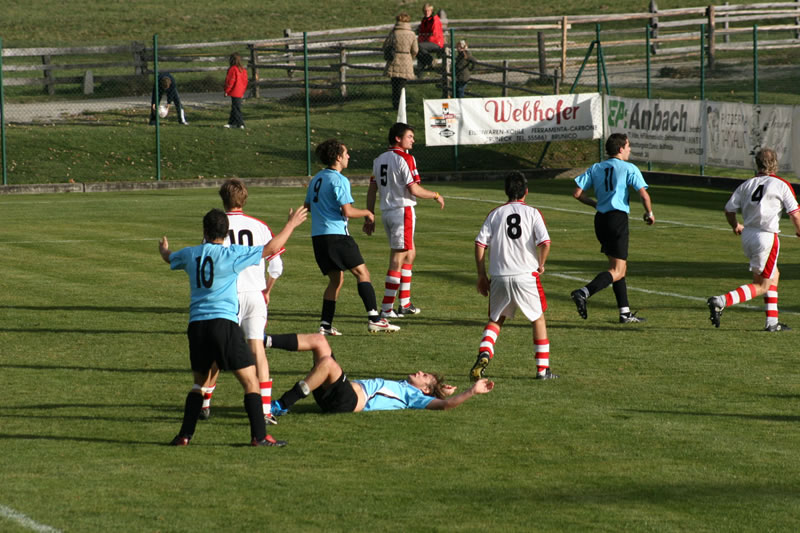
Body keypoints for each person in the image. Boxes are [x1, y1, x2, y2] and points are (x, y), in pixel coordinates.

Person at [159, 205, 307, 447]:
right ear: (226, 233)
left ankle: (184, 436)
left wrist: (164, 250)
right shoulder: (232, 254)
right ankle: (260, 437)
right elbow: (270, 248)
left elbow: (169, 257)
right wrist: (291, 224)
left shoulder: (190, 254)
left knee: (199, 383)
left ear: (204, 231)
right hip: (223, 325)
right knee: (250, 382)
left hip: (196, 327)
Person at [197, 179, 286, 424]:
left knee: (217, 350)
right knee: (257, 348)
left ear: (222, 199)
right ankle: (266, 409)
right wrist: (267, 289)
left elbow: (209, 261)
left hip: (228, 297)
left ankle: (204, 403)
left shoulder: (217, 226)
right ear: (244, 199)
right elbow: (276, 264)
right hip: (255, 294)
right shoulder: (259, 226)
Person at [266, 333, 494, 415]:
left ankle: (282, 404)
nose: (421, 371)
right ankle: (264, 339)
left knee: (327, 363)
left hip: (348, 401)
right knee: (319, 341)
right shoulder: (410, 389)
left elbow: (446, 405)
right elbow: (440, 395)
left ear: (424, 390)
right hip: (338, 394)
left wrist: (472, 391)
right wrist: (440, 387)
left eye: (425, 376)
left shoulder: (412, 397)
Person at [305, 138, 400, 335]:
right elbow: (347, 211)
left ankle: (325, 325)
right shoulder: (339, 179)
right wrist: (367, 213)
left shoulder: (316, 179)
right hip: (337, 236)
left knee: (335, 280)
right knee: (362, 273)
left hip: (319, 238)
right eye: (346, 153)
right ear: (338, 157)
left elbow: (308, 206)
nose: (349, 156)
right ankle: (375, 318)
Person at [469, 172, 558, 381]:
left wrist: (481, 274)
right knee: (537, 318)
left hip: (500, 275)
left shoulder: (495, 214)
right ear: (526, 191)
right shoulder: (533, 213)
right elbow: (545, 242)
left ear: (505, 192)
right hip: (526, 274)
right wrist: (541, 264)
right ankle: (542, 369)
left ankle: (485, 352)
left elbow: (480, 244)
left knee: (496, 319)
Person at [707, 148, 800, 331]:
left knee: (773, 275)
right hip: (767, 238)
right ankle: (721, 301)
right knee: (762, 285)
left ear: (756, 164)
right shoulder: (781, 184)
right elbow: (795, 215)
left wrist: (735, 225)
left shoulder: (747, 185)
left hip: (748, 236)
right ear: (775, 163)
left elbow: (729, 209)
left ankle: (772, 323)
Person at [570, 133, 654, 323]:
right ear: (621, 149)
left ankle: (624, 312)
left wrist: (594, 204)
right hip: (617, 219)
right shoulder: (628, 168)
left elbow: (576, 193)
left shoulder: (596, 167)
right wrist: (649, 213)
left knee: (618, 268)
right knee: (617, 269)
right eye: (628, 145)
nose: (630, 149)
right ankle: (583, 292)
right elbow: (644, 195)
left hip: (600, 219)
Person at [366, 122, 445, 319]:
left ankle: (405, 303)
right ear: (398, 139)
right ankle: (386, 308)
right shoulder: (406, 158)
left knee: (410, 253)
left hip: (388, 212)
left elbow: (372, 189)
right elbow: (414, 190)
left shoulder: (378, 159)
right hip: (402, 211)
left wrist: (370, 214)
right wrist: (435, 195)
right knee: (398, 257)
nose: (413, 140)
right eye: (410, 136)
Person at [383, 12, 418, 110]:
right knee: (402, 85)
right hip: (406, 58)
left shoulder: (394, 33)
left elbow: (386, 45)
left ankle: (395, 104)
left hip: (394, 58)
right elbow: (415, 50)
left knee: (394, 84)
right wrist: (411, 57)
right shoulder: (411, 34)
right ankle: (402, 105)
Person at [416, 3, 445, 73]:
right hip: (428, 41)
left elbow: (434, 34)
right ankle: (426, 64)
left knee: (418, 46)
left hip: (436, 42)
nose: (426, 12)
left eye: (428, 11)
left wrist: (424, 35)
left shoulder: (435, 20)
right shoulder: (425, 20)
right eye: (425, 11)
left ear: (432, 11)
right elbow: (422, 33)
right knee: (415, 48)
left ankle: (430, 61)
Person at [223, 52, 248, 129]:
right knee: (235, 107)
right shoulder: (243, 70)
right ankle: (232, 122)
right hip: (240, 90)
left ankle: (241, 123)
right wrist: (243, 90)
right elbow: (245, 81)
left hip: (234, 91)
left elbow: (230, 81)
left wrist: (227, 91)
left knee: (236, 108)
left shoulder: (232, 69)